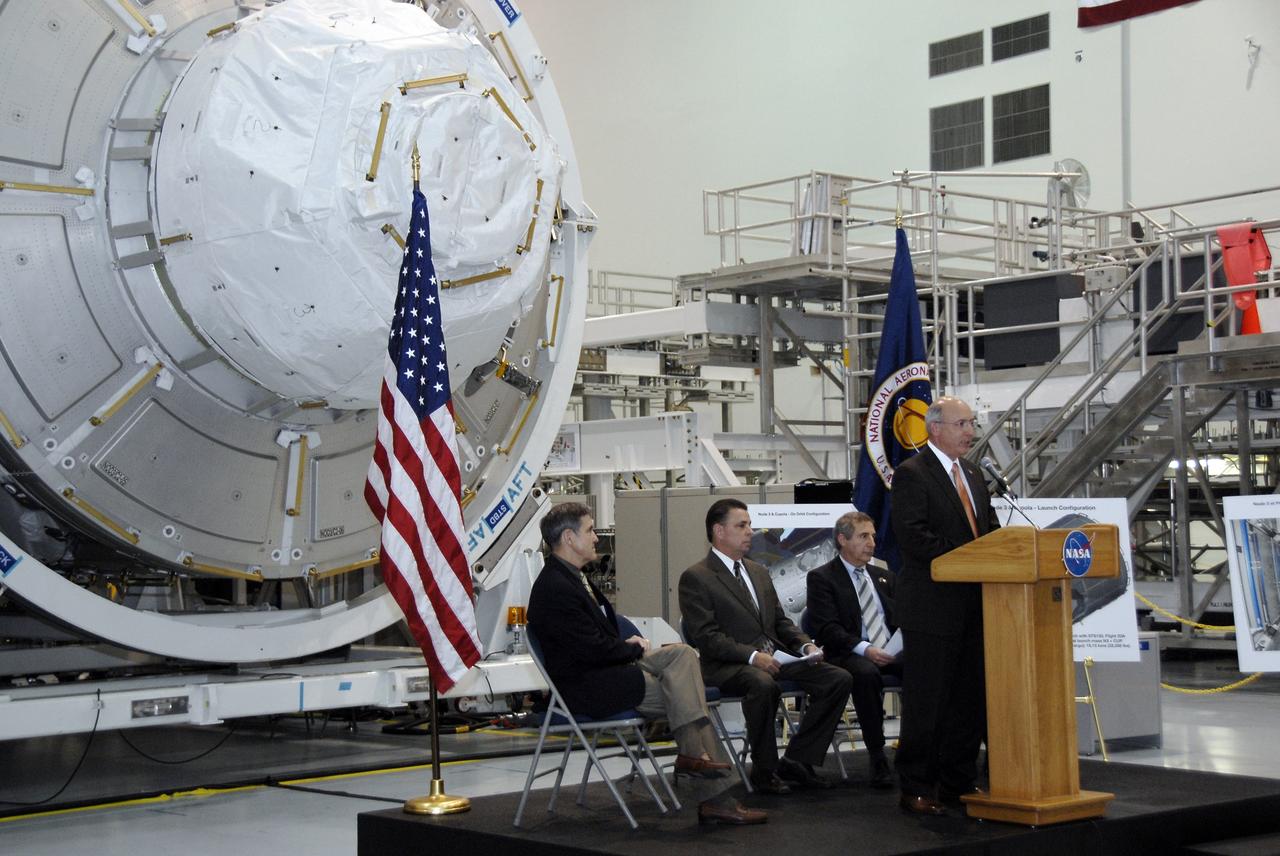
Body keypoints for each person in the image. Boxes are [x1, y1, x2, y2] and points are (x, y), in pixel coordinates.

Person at [527, 502, 766, 826]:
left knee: (682, 654)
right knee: (687, 694)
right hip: (592, 687)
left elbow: (594, 641)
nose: (597, 537)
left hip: (609, 669)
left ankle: (693, 758)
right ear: (569, 538)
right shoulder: (554, 587)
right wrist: (629, 650)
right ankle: (712, 790)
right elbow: (589, 651)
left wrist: (627, 648)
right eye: (590, 530)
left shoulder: (572, 578)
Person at [678, 498, 853, 795]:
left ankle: (798, 759)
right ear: (719, 531)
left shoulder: (758, 571)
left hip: (773, 657)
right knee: (762, 685)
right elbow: (706, 637)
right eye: (741, 525)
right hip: (729, 665)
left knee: (838, 678)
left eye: (749, 525)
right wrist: (752, 656)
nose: (750, 531)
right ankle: (765, 769)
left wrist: (805, 645)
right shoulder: (697, 577)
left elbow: (780, 622)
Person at [889, 397, 999, 816]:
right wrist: (969, 559)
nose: (970, 431)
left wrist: (998, 552)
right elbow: (915, 538)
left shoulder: (972, 473)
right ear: (935, 428)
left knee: (968, 700)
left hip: (976, 606)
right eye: (962, 424)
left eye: (971, 423)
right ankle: (916, 785)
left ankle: (959, 781)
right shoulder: (912, 474)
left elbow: (988, 531)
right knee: (928, 702)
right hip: (932, 610)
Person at [805, 510, 901, 789]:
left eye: (872, 535)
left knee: (927, 668)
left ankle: (923, 748)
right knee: (866, 674)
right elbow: (826, 629)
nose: (872, 542)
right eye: (863, 536)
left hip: (891, 650)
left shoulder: (884, 576)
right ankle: (877, 754)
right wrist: (865, 649)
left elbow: (899, 617)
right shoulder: (822, 578)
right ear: (842, 540)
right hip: (849, 653)